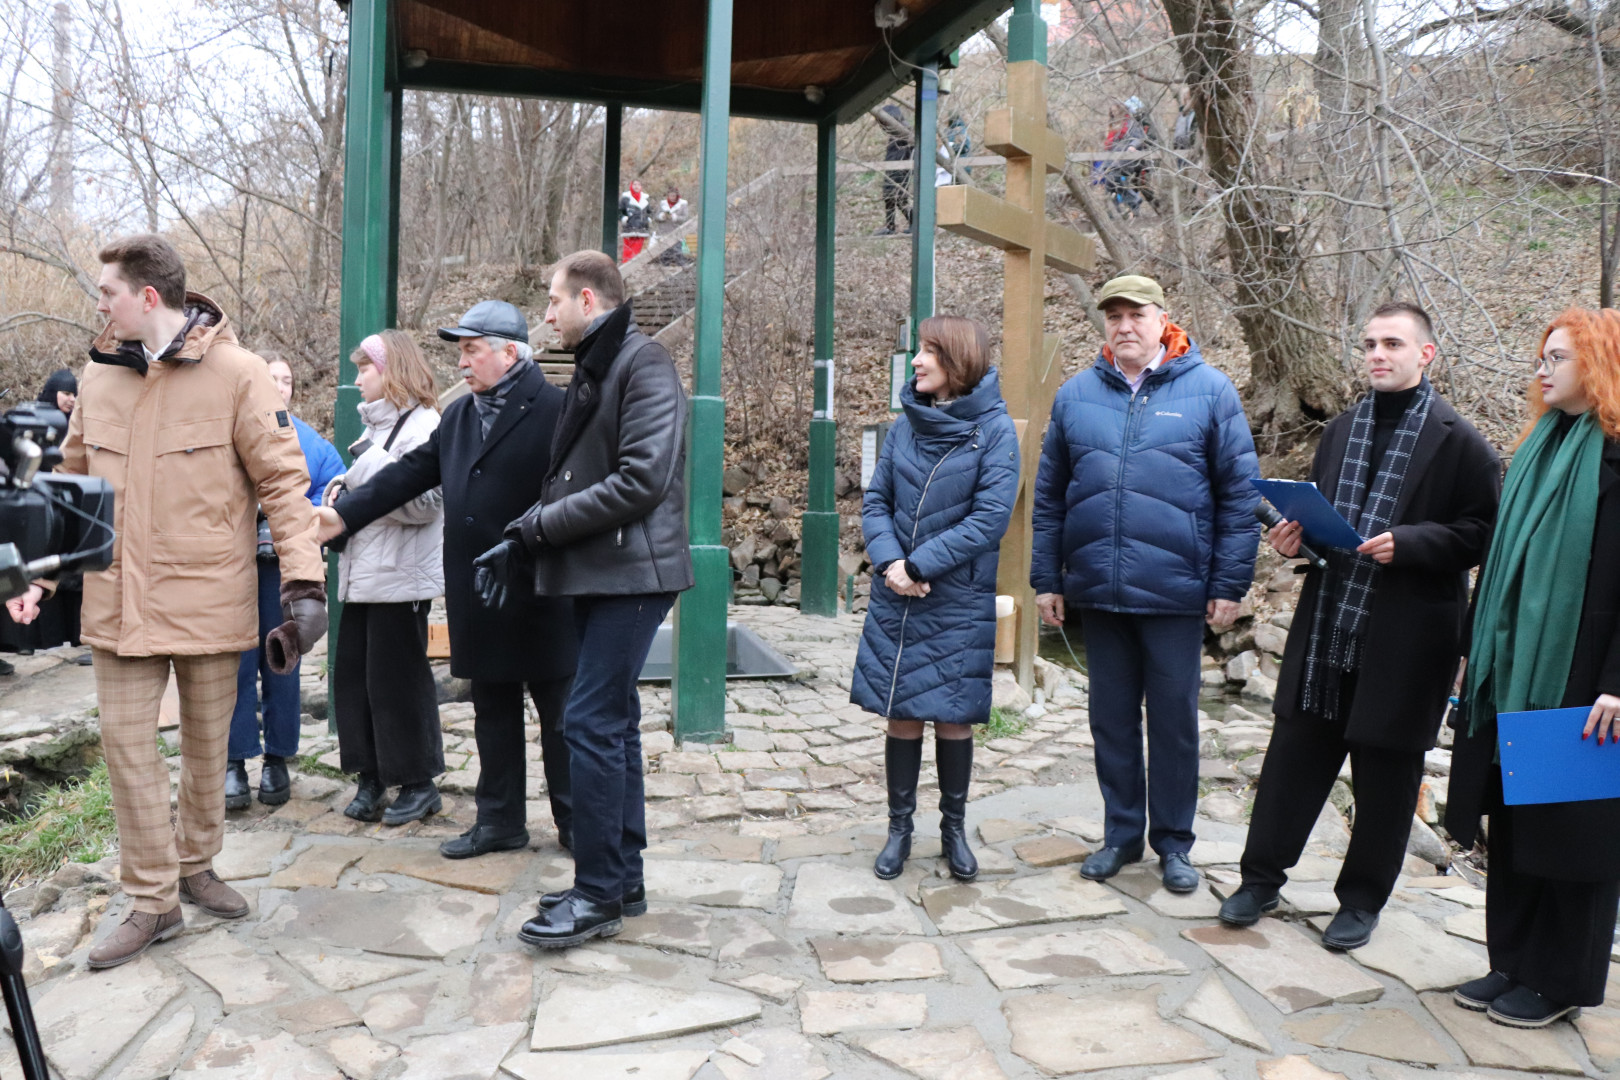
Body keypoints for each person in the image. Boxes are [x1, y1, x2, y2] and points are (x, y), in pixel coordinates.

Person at [6, 233, 325, 969]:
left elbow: (283, 484)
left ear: (147, 297)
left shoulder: (240, 374)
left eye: (107, 291)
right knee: (125, 749)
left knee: (211, 750)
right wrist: (40, 579)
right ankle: (153, 901)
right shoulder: (98, 377)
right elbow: (71, 490)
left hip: (212, 598)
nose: (98, 303)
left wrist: (302, 586)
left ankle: (198, 864)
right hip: (119, 602)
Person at [1219, 302, 1500, 949]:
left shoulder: (1462, 442)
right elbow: (1326, 525)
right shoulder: (1342, 429)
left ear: (1425, 354)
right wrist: (1295, 539)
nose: (1377, 353)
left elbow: (1483, 534)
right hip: (1326, 633)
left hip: (1405, 644)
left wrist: (1411, 543)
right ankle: (1259, 879)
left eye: (1393, 343)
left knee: (1386, 781)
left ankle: (1361, 902)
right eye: (1370, 342)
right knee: (1291, 762)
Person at [316, 302, 578, 857]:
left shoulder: (559, 409)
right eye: (458, 350)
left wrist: (527, 542)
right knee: (492, 712)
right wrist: (345, 514)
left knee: (560, 717)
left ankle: (576, 824)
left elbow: (570, 495)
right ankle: (500, 821)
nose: (460, 361)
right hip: (479, 592)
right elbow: (409, 476)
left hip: (541, 586)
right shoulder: (460, 417)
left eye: (470, 349)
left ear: (509, 353)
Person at [484, 250, 691, 949]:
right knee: (614, 721)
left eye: (553, 301)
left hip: (635, 572)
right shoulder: (603, 364)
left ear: (589, 301)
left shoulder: (643, 364)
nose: (546, 314)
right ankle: (620, 877)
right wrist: (525, 537)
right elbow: (577, 476)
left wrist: (536, 528)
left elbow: (641, 481)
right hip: (603, 570)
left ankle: (598, 892)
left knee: (590, 721)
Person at [1032, 274, 1259, 896]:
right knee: (1110, 720)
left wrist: (1229, 581)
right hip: (1099, 591)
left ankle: (1175, 844)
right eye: (1113, 316)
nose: (1124, 326)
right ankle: (1121, 834)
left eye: (1136, 314)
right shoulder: (1077, 395)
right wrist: (1047, 577)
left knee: (1175, 723)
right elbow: (1050, 496)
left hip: (1176, 591)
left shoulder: (1209, 391)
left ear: (1164, 319)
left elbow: (1240, 498)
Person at [1446, 307, 1620, 1028]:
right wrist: (1469, 649)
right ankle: (1512, 961)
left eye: (1558, 357)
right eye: (1542, 356)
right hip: (1515, 671)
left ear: (1600, 364)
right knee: (1516, 823)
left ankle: (1561, 981)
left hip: (1584, 678)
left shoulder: (1616, 460)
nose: (1541, 370)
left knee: (1574, 836)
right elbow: (1501, 571)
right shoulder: (1541, 448)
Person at [850, 316, 1019, 883]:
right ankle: (900, 831)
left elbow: (991, 518)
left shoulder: (994, 430)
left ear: (958, 361)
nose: (916, 361)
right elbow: (875, 500)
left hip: (955, 598)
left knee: (952, 718)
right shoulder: (904, 426)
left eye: (928, 352)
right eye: (919, 351)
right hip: (899, 592)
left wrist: (919, 565)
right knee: (901, 714)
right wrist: (892, 563)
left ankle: (952, 830)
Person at [323, 332, 446, 825]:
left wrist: (362, 475)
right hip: (364, 577)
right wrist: (340, 490)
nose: (357, 381)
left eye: (365, 370)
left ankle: (419, 783)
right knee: (355, 682)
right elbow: (373, 495)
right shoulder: (376, 428)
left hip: (402, 581)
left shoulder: (427, 426)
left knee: (399, 683)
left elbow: (425, 504)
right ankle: (370, 777)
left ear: (391, 370)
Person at [225, 354, 344, 810]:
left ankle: (277, 759)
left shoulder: (310, 443)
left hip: (282, 570)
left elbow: (333, 489)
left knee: (282, 662)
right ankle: (234, 761)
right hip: (234, 570)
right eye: (271, 378)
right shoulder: (231, 433)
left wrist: (295, 518)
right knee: (234, 667)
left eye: (287, 379)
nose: (279, 385)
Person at [0, 368, 89, 666]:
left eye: (74, 394)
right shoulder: (28, 426)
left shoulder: (74, 425)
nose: (71, 400)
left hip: (62, 515)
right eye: (66, 393)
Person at [878, 103, 912, 236]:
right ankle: (890, 227)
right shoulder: (896, 131)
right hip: (892, 167)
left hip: (900, 169)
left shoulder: (904, 130)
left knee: (900, 198)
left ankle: (915, 223)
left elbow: (910, 150)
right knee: (889, 197)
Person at [618, 181, 651, 263]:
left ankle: (633, 267)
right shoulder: (625, 198)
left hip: (641, 228)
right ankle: (625, 265)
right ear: (631, 186)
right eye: (634, 184)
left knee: (637, 249)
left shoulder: (645, 199)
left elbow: (650, 212)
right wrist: (623, 218)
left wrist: (648, 219)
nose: (636, 186)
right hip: (629, 227)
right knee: (628, 249)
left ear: (641, 187)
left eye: (639, 184)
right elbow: (618, 211)